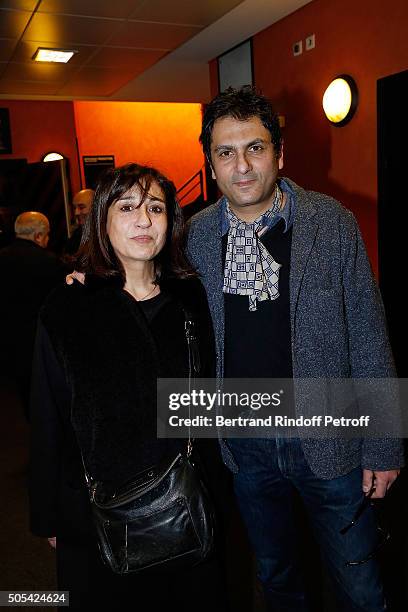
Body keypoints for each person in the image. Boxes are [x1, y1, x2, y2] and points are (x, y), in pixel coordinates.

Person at [184, 86, 403, 611]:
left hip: (332, 440)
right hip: (245, 444)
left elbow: (370, 335)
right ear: (211, 164)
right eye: (225, 152)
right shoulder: (193, 237)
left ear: (280, 154)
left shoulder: (331, 224)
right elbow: (137, 280)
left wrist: (384, 444)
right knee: (277, 579)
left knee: (360, 585)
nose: (241, 166)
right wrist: (88, 282)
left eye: (255, 148)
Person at [29, 164, 228, 610]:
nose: (143, 219)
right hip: (97, 514)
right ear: (102, 220)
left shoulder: (193, 299)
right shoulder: (68, 306)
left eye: (155, 207)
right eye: (127, 207)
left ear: (170, 221)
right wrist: (49, 514)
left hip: (186, 506)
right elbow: (48, 415)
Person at [0, 211, 64, 417]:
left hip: (10, 336)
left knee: (24, 385)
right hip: (43, 336)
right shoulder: (50, 262)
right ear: (39, 236)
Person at [64, 188, 94, 255]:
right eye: (75, 208)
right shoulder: (76, 235)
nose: (76, 213)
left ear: (95, 208)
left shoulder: (109, 233)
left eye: (81, 207)